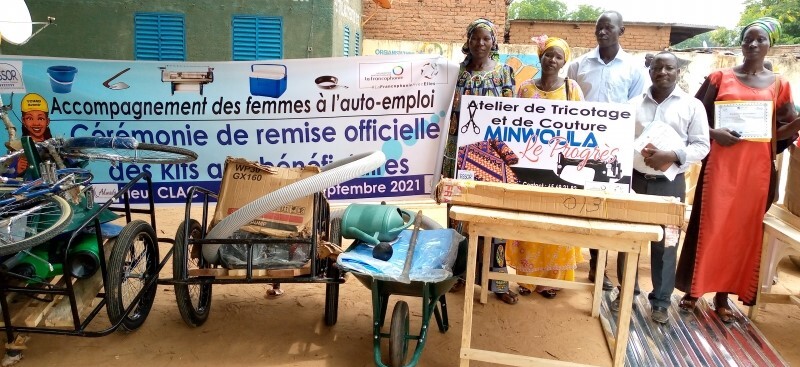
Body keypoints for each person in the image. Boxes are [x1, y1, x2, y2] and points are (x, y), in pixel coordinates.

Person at [675, 17, 800, 324]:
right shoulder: (720, 77)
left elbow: (780, 131)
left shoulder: (780, 86)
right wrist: (715, 133)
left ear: (770, 44)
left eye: (760, 40)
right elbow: (692, 116)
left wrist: (797, 125)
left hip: (756, 173)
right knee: (713, 224)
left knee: (741, 232)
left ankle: (723, 296)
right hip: (721, 166)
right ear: (741, 43)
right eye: (748, 39)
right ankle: (696, 290)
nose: (753, 44)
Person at [610, 51, 709, 324]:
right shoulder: (632, 104)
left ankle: (661, 301)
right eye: (657, 67)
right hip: (634, 181)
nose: (662, 72)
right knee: (627, 238)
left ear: (678, 72)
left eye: (669, 68)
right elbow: (618, 138)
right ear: (649, 70)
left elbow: (702, 145)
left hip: (670, 185)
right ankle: (627, 292)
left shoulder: (692, 106)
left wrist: (672, 155)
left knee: (667, 243)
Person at [566, 10, 646, 291]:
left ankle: (603, 268)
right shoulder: (578, 65)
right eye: (598, 28)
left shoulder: (635, 69)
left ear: (621, 31)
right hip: (583, 146)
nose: (602, 32)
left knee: (610, 205)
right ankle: (594, 265)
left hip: (616, 148)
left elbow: (638, 108)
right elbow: (568, 100)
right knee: (584, 202)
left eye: (608, 28)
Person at [443, 18, 518, 305]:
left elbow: (513, 115)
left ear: (493, 42)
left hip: (492, 155)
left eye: (486, 38)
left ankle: (497, 280)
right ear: (468, 41)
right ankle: (456, 274)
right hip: (459, 153)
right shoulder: (455, 72)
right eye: (475, 38)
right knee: (459, 214)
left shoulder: (503, 73)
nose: (480, 43)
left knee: (494, 216)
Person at [507, 36, 585, 299]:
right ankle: (527, 280)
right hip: (529, 166)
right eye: (548, 54)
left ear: (565, 62)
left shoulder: (571, 89)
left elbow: (583, 128)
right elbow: (514, 125)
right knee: (528, 222)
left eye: (558, 56)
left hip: (561, 170)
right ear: (540, 56)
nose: (552, 60)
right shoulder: (525, 88)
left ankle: (552, 280)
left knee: (556, 221)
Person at [8, 93, 54, 177]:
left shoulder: (56, 147)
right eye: (29, 118)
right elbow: (5, 175)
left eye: (40, 118)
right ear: (23, 120)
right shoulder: (17, 148)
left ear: (47, 121)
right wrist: (16, 171)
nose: (36, 123)